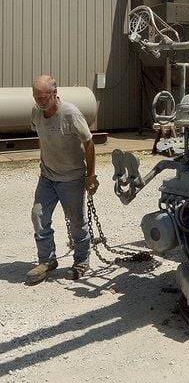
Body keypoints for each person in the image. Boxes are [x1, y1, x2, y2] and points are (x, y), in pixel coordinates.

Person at [26, 75, 99, 284]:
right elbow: (42, 137)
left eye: (43, 97)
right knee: (38, 216)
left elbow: (89, 142)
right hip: (47, 176)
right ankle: (47, 261)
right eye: (36, 97)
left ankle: (81, 260)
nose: (39, 101)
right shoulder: (36, 112)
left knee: (77, 222)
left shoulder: (70, 114)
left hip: (72, 178)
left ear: (54, 93)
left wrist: (91, 176)